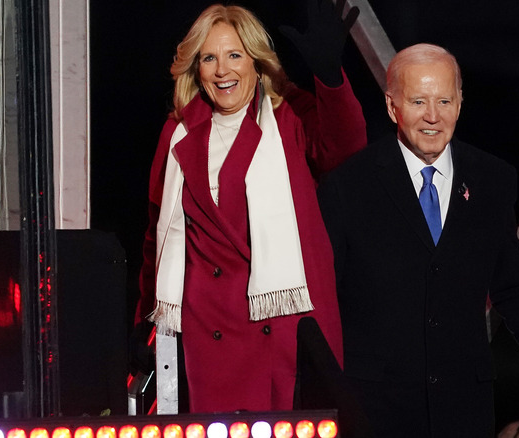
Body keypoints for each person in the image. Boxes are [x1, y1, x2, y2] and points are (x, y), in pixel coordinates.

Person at [317, 43, 519, 437]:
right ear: (393, 107)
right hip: (375, 410)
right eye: (419, 101)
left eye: (444, 100)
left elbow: (513, 284)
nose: (433, 116)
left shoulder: (492, 180)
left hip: (463, 408)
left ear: (460, 102)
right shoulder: (348, 187)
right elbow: (323, 300)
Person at [133, 0, 367, 413]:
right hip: (207, 334)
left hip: (283, 329)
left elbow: (345, 149)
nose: (223, 70)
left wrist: (330, 79)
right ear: (196, 68)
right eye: (210, 58)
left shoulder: (289, 114)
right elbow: (156, 235)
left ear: (256, 63)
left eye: (235, 55)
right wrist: (144, 325)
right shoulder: (178, 132)